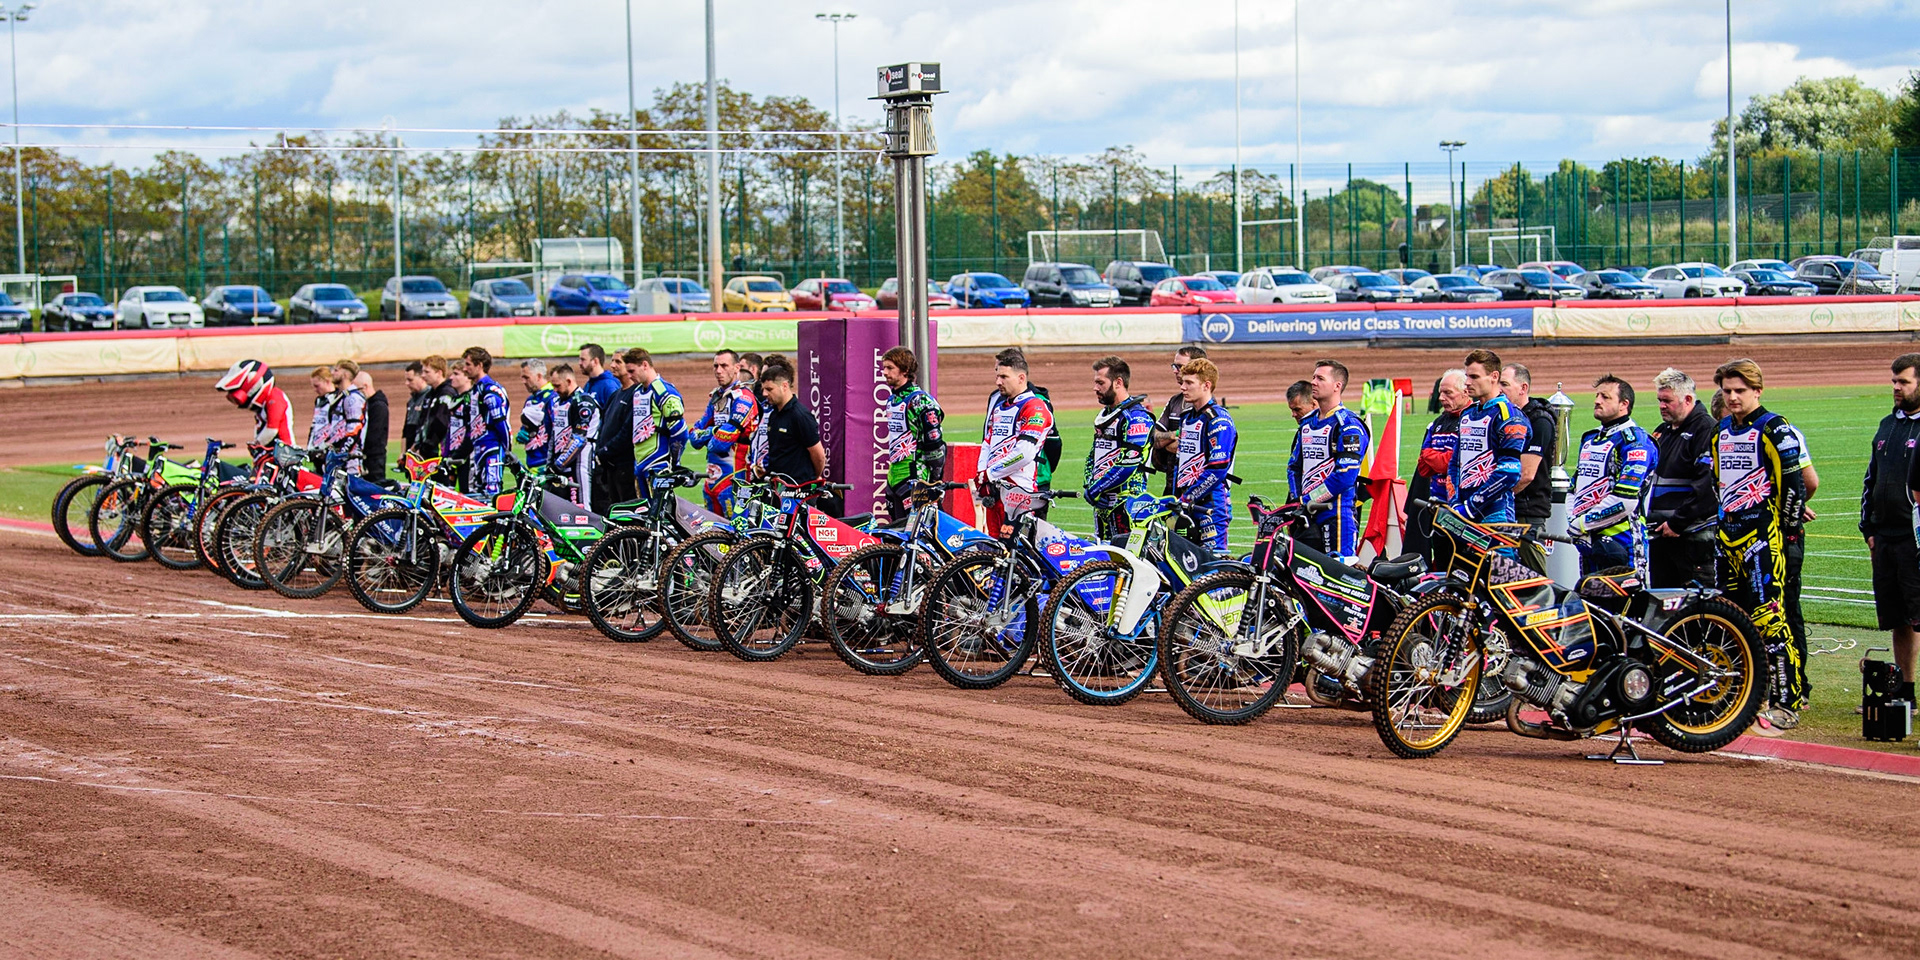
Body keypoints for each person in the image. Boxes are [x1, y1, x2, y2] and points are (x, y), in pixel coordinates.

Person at [1711, 358, 1808, 734]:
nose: (1733, 397)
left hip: (1761, 538)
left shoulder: (1774, 427)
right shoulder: (1721, 431)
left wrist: (1784, 530)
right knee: (1729, 617)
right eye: (1727, 391)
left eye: (1740, 391)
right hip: (1726, 537)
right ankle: (1739, 694)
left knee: (1770, 618)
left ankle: (1787, 701)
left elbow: (1794, 485)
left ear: (1757, 391)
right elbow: (1718, 482)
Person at [1864, 355, 1920, 701]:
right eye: (1894, 382)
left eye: (1904, 382)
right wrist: (1868, 528)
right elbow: (1871, 479)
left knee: (1919, 617)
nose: (1896, 388)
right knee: (1897, 618)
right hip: (1884, 537)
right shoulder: (1888, 424)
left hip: (1915, 537)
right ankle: (1904, 692)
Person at [1566, 374, 1658, 578]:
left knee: (1627, 606)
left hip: (1622, 540)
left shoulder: (1636, 442)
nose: (1597, 400)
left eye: (1605, 397)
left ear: (1624, 404)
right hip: (1588, 539)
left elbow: (1626, 500)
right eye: (1597, 395)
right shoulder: (1591, 438)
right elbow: (1574, 487)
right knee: (1591, 600)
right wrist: (1574, 519)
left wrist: (1582, 523)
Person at [1288, 359, 1369, 563]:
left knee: (1338, 578)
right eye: (1313, 377)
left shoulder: (1349, 426)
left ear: (1337, 386)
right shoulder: (1307, 424)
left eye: (1320, 378)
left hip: (1336, 516)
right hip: (1306, 513)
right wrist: (1299, 499)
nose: (1313, 382)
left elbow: (1344, 478)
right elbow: (1294, 467)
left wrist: (1309, 499)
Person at [1647, 367, 1719, 588]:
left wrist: (1677, 523)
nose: (1661, 406)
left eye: (1667, 401)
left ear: (1688, 399)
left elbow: (1706, 487)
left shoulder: (1705, 430)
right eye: (1659, 400)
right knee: (1662, 603)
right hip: (1661, 536)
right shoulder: (1663, 431)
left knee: (1695, 606)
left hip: (1690, 538)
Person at [978, 350, 1054, 533]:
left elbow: (1024, 453)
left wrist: (989, 473)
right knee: (995, 550)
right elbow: (987, 443)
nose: (998, 382)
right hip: (994, 491)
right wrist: (982, 473)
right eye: (997, 376)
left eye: (1004, 377)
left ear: (1021, 378)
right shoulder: (1000, 406)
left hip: (1019, 492)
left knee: (1017, 554)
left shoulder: (1034, 406)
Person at [1451, 349, 1529, 524]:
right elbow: (1455, 463)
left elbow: (1509, 472)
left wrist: (1471, 506)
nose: (1467, 383)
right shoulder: (1467, 414)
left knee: (1500, 553)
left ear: (1494, 376)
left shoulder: (1509, 415)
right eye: (1467, 377)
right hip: (1463, 511)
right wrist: (1455, 502)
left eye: (1474, 377)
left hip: (1495, 513)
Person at [1084, 356, 1154, 541]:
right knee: (1104, 556)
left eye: (1100, 383)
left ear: (1118, 382)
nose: (1095, 388)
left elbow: (1128, 463)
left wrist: (1095, 489)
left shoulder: (1137, 417)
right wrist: (1090, 485)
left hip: (1127, 503)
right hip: (1102, 502)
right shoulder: (1105, 415)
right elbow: (1093, 456)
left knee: (1128, 559)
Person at [1172, 357, 1237, 554]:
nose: (1183, 387)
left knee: (1211, 565)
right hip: (1186, 503)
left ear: (1206, 385)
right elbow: (1180, 461)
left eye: (1189, 383)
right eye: (1183, 382)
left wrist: (1187, 497)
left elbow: (1217, 469)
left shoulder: (1219, 420)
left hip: (1211, 504)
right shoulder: (1187, 417)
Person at [1501, 362, 1558, 572]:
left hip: (1527, 509)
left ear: (1523, 388)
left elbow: (1526, 474)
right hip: (1511, 507)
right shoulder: (1506, 417)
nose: (1499, 390)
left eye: (1505, 384)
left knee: (1533, 576)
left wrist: (1494, 497)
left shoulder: (1539, 420)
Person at [879, 347, 945, 524]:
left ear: (905, 370)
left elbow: (935, 444)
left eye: (890, 368)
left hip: (915, 476)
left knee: (919, 530)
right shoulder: (892, 400)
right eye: (884, 367)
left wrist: (934, 482)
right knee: (896, 530)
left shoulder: (921, 401)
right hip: (894, 475)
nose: (884, 372)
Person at [689, 350, 759, 516]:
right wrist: (714, 431)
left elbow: (719, 443)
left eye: (724, 366)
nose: (718, 370)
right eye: (716, 366)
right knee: (713, 534)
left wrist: (708, 435)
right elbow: (694, 438)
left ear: (736, 368)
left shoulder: (744, 398)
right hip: (712, 480)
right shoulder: (716, 397)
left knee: (736, 534)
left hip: (735, 481)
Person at [1406, 368, 1468, 555]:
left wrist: (1438, 459)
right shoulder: (1436, 423)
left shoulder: (1472, 421)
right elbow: (1424, 468)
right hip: (1438, 509)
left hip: (1463, 510)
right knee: (1441, 560)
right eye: (1440, 392)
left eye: (1448, 393)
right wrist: (1443, 460)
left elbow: (1454, 463)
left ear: (1466, 392)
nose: (1441, 398)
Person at [758, 364, 827, 493]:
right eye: (763, 389)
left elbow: (819, 455)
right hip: (778, 487)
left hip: (799, 490)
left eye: (769, 389)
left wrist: (811, 478)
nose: (764, 394)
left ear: (784, 386)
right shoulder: (774, 415)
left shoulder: (800, 416)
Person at [628, 348, 688, 487]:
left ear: (644, 365)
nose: (629, 376)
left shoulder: (663, 391)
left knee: (660, 508)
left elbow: (680, 431)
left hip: (658, 463)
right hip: (640, 463)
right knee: (645, 508)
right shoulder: (637, 392)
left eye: (632, 371)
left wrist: (674, 462)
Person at [1154, 345, 1209, 495]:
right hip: (1171, 485)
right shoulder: (1175, 401)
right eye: (1174, 366)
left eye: (1180, 366)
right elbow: (1152, 437)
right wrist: (1175, 434)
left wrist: (1168, 442)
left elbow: (1194, 447)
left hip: (1196, 490)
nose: (1175, 371)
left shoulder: (1206, 407)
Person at [592, 351, 640, 513]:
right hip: (610, 466)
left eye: (618, 362)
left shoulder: (636, 394)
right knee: (614, 511)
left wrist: (606, 451)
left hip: (625, 466)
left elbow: (626, 433)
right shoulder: (615, 395)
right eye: (612, 361)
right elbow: (604, 425)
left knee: (628, 512)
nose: (612, 365)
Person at [460, 347, 512, 498]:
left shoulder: (490, 391)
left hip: (491, 449)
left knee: (492, 492)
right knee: (479, 493)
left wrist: (507, 449)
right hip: (479, 449)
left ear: (480, 365)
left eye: (468, 364)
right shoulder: (476, 390)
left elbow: (502, 424)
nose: (465, 368)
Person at [547, 363, 600, 506]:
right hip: (561, 464)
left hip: (580, 462)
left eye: (557, 385)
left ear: (569, 381)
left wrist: (557, 465)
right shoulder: (557, 403)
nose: (555, 390)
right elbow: (554, 435)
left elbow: (579, 440)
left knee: (582, 506)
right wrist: (550, 464)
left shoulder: (583, 401)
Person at [213, 359, 294, 447]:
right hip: (269, 451)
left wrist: (256, 445)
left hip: (284, 452)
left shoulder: (275, 397)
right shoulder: (263, 404)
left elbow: (272, 429)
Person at [516, 359, 562, 475]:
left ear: (539, 376)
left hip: (546, 464)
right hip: (532, 463)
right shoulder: (530, 400)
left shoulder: (553, 398)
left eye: (526, 377)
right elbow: (528, 427)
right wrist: (523, 434)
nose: (523, 381)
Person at [442, 365, 473, 490]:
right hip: (453, 456)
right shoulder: (454, 399)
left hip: (468, 457)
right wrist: (447, 454)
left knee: (468, 493)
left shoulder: (471, 399)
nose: (451, 377)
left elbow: (472, 429)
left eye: (456, 374)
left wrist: (460, 453)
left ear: (467, 377)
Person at [355, 370, 389, 481]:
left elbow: (374, 436)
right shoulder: (368, 405)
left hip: (374, 461)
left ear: (365, 386)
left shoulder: (378, 407)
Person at [577, 343, 620, 409]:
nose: (579, 363)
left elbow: (615, 413)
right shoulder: (589, 384)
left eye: (583, 359)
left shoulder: (609, 385)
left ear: (595, 361)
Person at [306, 366, 337, 453]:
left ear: (327, 382)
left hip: (328, 448)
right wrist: (309, 446)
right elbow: (314, 425)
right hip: (316, 448)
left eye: (317, 386)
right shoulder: (319, 400)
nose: (315, 390)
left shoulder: (337, 399)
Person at [401, 361, 428, 455]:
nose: (407, 383)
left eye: (410, 380)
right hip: (411, 452)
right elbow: (406, 430)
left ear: (422, 378)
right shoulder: (411, 401)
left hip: (421, 451)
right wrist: (403, 453)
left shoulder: (429, 398)